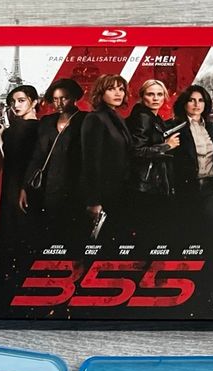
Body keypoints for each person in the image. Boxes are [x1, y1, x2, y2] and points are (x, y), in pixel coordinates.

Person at [19, 78, 86, 247]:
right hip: (46, 187)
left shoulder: (86, 120)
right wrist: (25, 187)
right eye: (55, 99)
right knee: (46, 234)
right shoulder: (47, 121)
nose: (59, 103)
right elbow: (37, 156)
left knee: (71, 236)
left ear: (74, 97)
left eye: (64, 98)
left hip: (74, 188)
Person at [171, 84, 213, 250]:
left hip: (211, 187)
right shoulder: (173, 126)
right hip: (185, 189)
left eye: (200, 100)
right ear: (184, 103)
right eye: (191, 100)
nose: (196, 104)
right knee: (188, 235)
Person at [126, 79, 180, 247]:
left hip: (150, 182)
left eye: (159, 94)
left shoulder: (153, 117)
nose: (156, 98)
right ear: (142, 97)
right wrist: (166, 146)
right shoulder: (143, 117)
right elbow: (136, 151)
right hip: (145, 184)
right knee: (148, 234)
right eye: (150, 94)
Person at [81, 74, 133, 246]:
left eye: (121, 89)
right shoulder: (95, 118)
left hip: (120, 191)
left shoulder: (116, 117)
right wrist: (93, 201)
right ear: (101, 93)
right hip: (104, 195)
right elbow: (90, 161)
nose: (118, 93)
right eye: (111, 89)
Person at [0, 85, 39, 253]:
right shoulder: (39, 127)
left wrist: (0, 135)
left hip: (18, 184)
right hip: (23, 184)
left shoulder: (20, 128)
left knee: (13, 231)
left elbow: (10, 156)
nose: (16, 105)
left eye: (21, 100)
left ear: (34, 102)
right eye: (13, 102)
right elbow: (10, 156)